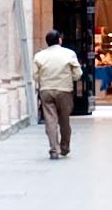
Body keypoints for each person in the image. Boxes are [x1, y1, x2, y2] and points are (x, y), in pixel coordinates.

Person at [31, 29, 83, 157]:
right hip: (64, 90)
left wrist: (42, 82)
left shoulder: (39, 56)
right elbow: (78, 74)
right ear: (59, 40)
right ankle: (64, 146)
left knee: (50, 120)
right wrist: (70, 78)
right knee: (64, 120)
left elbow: (35, 75)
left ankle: (54, 149)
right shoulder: (69, 54)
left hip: (46, 90)